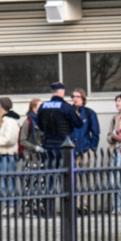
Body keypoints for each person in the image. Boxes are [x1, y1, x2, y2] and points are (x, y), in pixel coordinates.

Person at [37, 82, 83, 217]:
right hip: (64, 147)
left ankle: (48, 210)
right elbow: (78, 124)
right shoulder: (66, 107)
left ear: (53, 92)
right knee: (67, 178)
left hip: (48, 146)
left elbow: (39, 124)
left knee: (49, 178)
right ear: (62, 92)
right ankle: (67, 210)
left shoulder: (43, 106)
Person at [0, 97, 21, 216]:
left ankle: (11, 205)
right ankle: (8, 205)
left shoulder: (10, 121)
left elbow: (10, 140)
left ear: (1, 106)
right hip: (4, 155)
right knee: (4, 181)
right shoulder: (4, 120)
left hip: (9, 155)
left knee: (9, 181)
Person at [71, 88, 100, 214]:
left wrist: (91, 148)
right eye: (73, 96)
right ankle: (74, 206)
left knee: (85, 179)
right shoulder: (68, 112)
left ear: (83, 98)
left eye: (78, 96)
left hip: (85, 150)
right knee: (72, 179)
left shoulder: (89, 113)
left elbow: (96, 132)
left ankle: (84, 206)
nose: (75, 99)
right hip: (71, 150)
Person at [19, 99, 46, 217]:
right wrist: (35, 148)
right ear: (34, 107)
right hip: (31, 158)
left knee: (40, 184)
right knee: (29, 184)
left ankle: (39, 208)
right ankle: (30, 209)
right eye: (40, 105)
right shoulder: (28, 122)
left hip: (41, 158)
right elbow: (22, 140)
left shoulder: (42, 121)